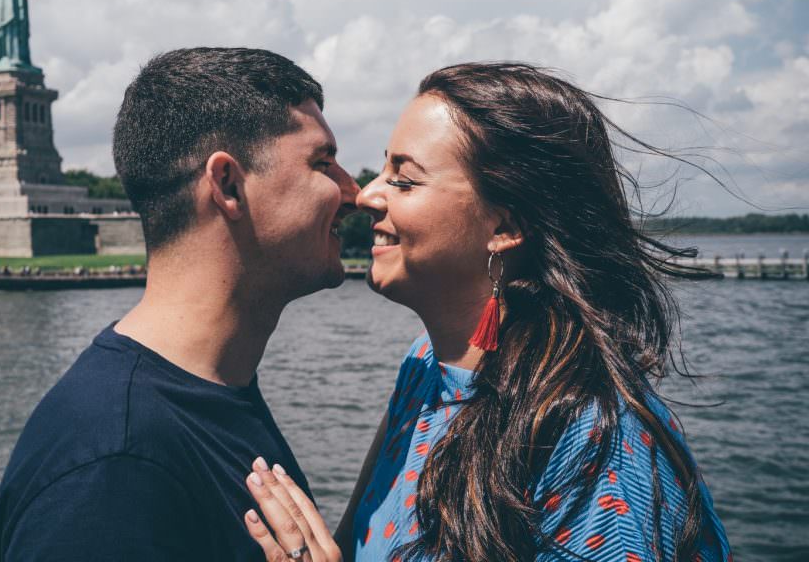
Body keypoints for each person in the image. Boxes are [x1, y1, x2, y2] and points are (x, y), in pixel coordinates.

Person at [241, 62, 732, 562]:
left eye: (404, 180)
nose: (367, 196)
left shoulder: (591, 439)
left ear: (503, 228)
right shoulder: (425, 367)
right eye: (384, 170)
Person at [0, 47, 359, 561]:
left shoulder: (202, 396)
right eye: (323, 162)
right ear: (228, 184)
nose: (355, 191)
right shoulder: (115, 468)